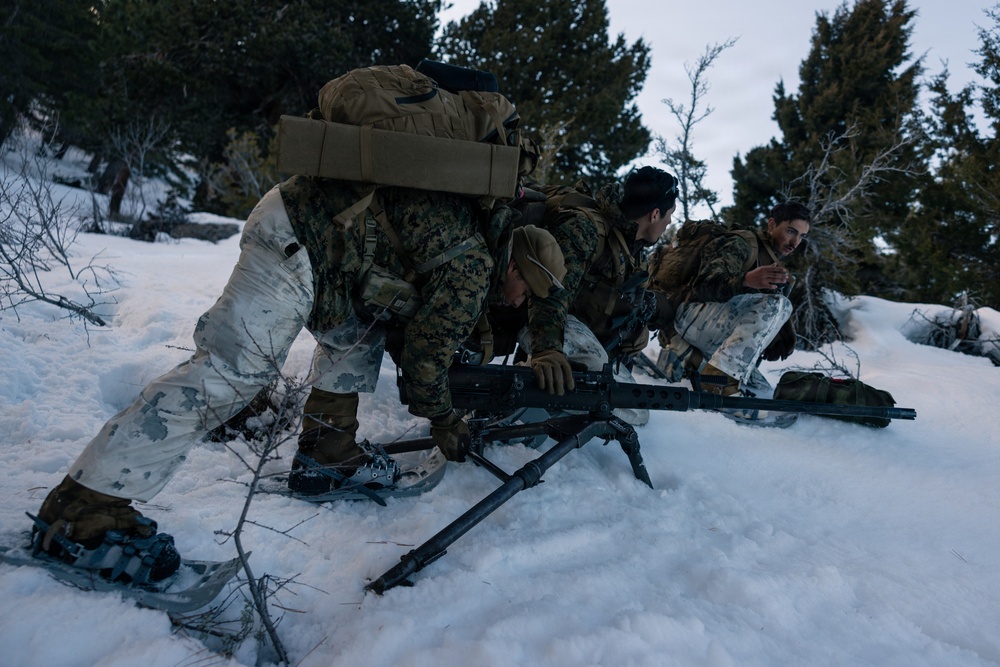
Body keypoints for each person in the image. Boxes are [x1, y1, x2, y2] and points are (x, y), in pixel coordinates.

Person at [33, 175, 566, 580]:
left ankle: (327, 454)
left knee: (354, 339)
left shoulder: (472, 244)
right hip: (297, 235)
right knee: (230, 372)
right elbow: (427, 364)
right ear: (516, 270)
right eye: (529, 295)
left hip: (313, 233)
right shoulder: (474, 266)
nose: (521, 305)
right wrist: (446, 419)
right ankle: (84, 509)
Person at [470, 166, 679, 425]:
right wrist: (547, 351)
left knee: (634, 409)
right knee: (600, 380)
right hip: (534, 318)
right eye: (670, 214)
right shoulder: (586, 228)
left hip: (559, 324)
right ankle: (504, 405)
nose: (669, 222)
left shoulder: (630, 248)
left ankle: (548, 403)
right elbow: (550, 291)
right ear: (655, 213)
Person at [659, 201, 811, 405]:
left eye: (802, 236)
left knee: (761, 390)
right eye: (791, 231)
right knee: (779, 305)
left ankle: (689, 358)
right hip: (689, 315)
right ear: (772, 224)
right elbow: (703, 285)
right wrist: (745, 280)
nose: (795, 242)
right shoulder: (742, 243)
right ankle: (718, 384)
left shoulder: (771, 259)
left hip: (707, 325)